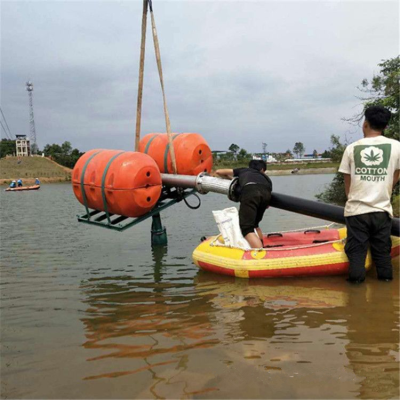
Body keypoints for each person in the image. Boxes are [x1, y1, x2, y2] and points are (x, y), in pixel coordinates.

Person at [339, 105, 400, 283]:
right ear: (386, 126)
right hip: (382, 210)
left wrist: (353, 198)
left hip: (356, 211)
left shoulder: (352, 148)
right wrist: (387, 186)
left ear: (365, 124)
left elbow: (347, 182)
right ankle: (386, 293)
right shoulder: (396, 146)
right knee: (382, 253)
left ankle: (355, 295)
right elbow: (397, 173)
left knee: (356, 253)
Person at [215, 160, 272, 248]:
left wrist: (234, 179)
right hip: (266, 194)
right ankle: (261, 245)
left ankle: (259, 253)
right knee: (255, 224)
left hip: (250, 192)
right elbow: (267, 203)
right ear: (262, 169)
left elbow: (218, 172)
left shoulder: (244, 170)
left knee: (246, 228)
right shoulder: (267, 179)